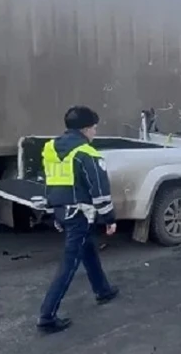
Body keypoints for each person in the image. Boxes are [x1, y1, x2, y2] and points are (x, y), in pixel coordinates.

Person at [37, 105, 119, 334]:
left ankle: (103, 290)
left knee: (87, 249)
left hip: (61, 210)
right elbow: (100, 192)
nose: (95, 132)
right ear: (85, 129)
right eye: (94, 128)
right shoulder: (87, 154)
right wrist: (109, 219)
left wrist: (53, 211)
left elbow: (50, 181)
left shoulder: (50, 148)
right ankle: (46, 316)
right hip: (79, 215)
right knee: (69, 264)